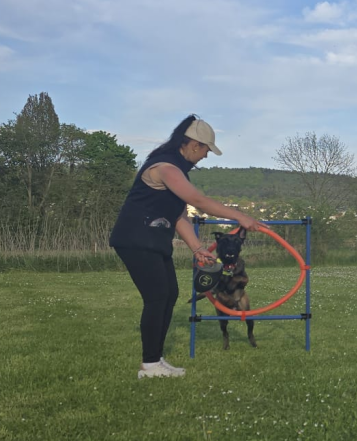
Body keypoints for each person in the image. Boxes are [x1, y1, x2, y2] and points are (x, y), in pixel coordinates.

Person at [109, 115, 267, 379]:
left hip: (153, 241)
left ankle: (155, 360)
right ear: (193, 144)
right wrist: (240, 216)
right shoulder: (165, 168)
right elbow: (198, 201)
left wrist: (197, 248)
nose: (206, 155)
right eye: (206, 149)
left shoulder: (177, 172)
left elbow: (179, 215)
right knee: (157, 297)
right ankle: (149, 365)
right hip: (135, 240)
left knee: (169, 295)